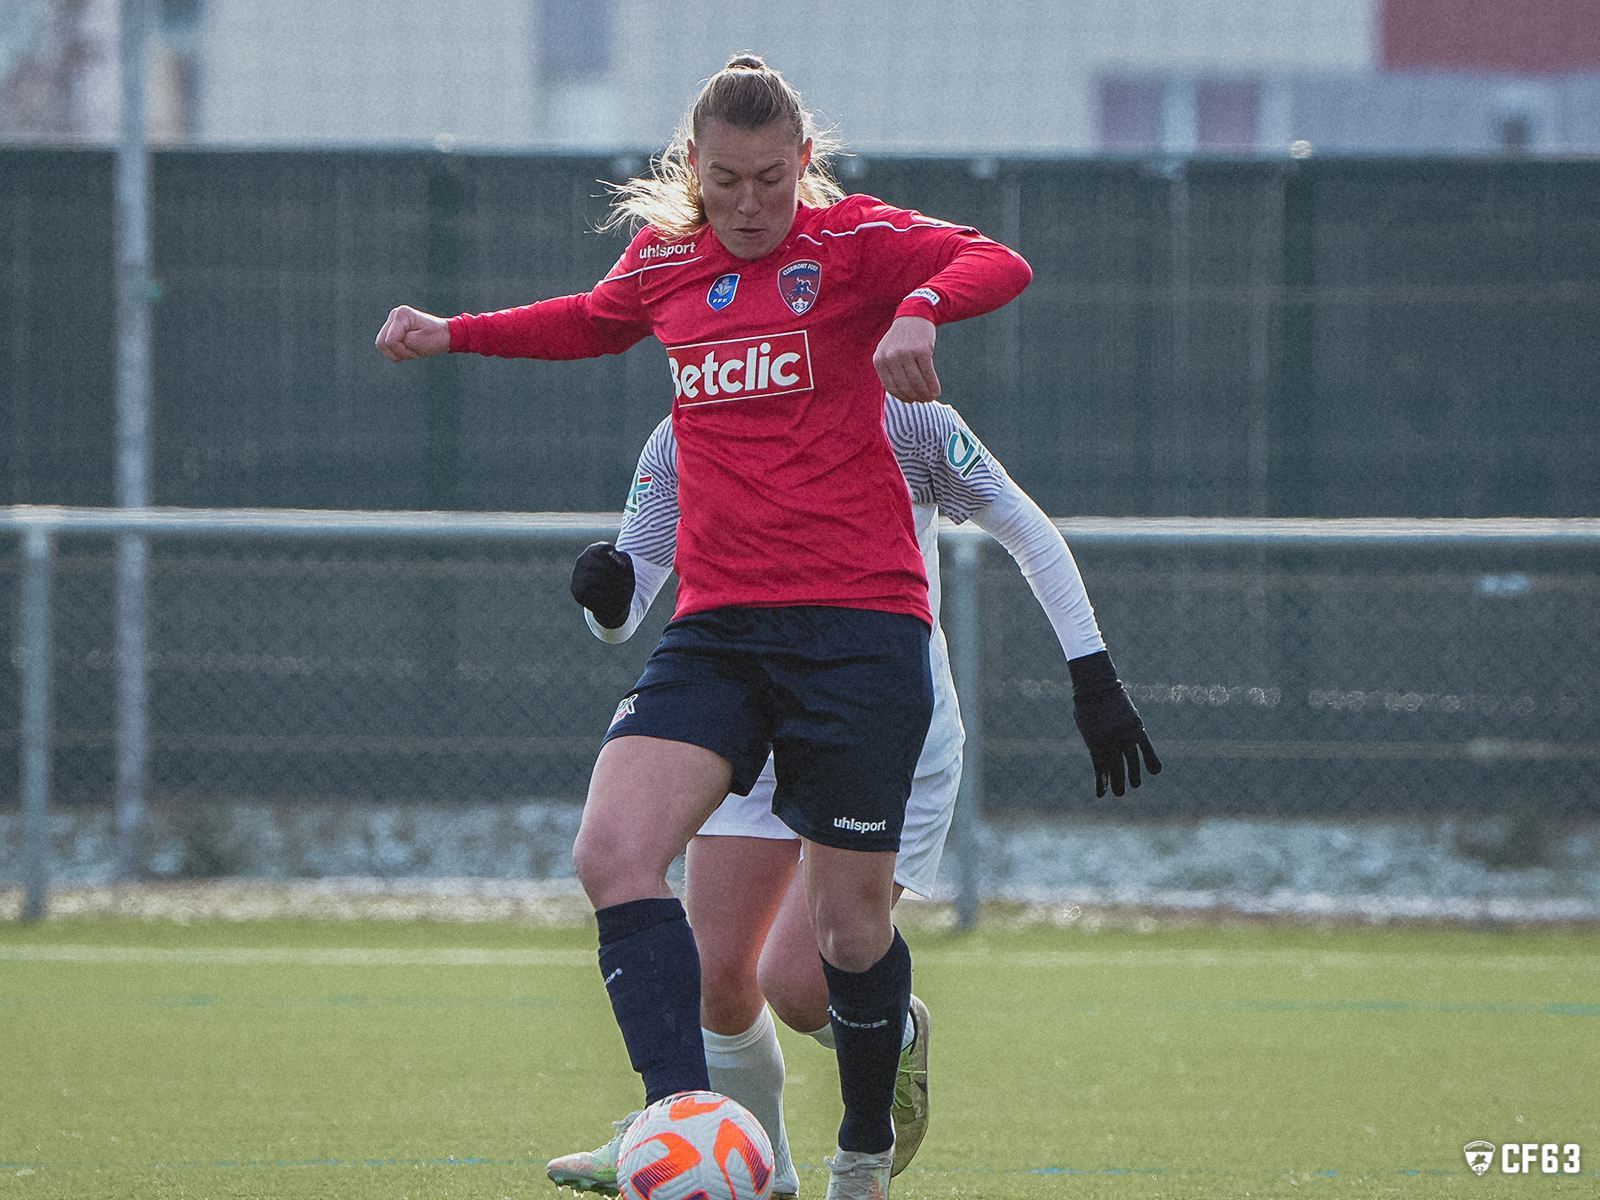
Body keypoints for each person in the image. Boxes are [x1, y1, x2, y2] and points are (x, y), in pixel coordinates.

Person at [378, 54, 1034, 1198]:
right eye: (724, 180)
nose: (747, 205)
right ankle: (683, 1128)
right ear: (691, 167)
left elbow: (999, 259)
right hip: (722, 629)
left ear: (805, 166)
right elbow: (587, 321)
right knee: (613, 853)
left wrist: (921, 305)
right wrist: (454, 332)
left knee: (838, 948)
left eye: (771, 180)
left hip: (859, 631)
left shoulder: (855, 243)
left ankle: (865, 1155)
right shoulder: (667, 260)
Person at [549, 397, 1161, 1194]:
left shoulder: (910, 422)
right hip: (750, 708)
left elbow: (1028, 530)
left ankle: (883, 1066)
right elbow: (628, 606)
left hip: (880, 715)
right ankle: (735, 1159)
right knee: (716, 974)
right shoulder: (686, 424)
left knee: (802, 987)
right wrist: (606, 598)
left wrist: (1094, 671)